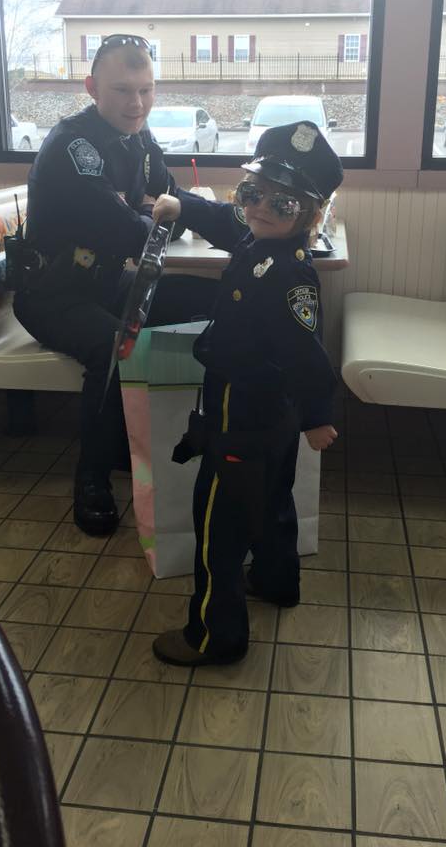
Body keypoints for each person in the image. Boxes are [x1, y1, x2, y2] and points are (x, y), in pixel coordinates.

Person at [150, 120, 342, 667]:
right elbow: (224, 218)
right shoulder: (259, 238)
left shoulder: (290, 275)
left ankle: (215, 635)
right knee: (275, 499)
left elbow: (309, 352)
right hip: (270, 416)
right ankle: (279, 582)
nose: (259, 209)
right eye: (252, 193)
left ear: (310, 214)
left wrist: (319, 415)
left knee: (220, 524)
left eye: (282, 204)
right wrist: (179, 205)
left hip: (244, 413)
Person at [13, 34, 215, 536]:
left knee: (212, 299)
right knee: (115, 347)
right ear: (91, 87)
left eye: (146, 90)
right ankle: (92, 476)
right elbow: (130, 228)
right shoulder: (72, 147)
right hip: (51, 295)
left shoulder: (139, 139)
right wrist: (150, 214)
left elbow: (171, 203)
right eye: (123, 90)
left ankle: (161, 440)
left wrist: (198, 214)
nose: (137, 102)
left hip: (107, 281)